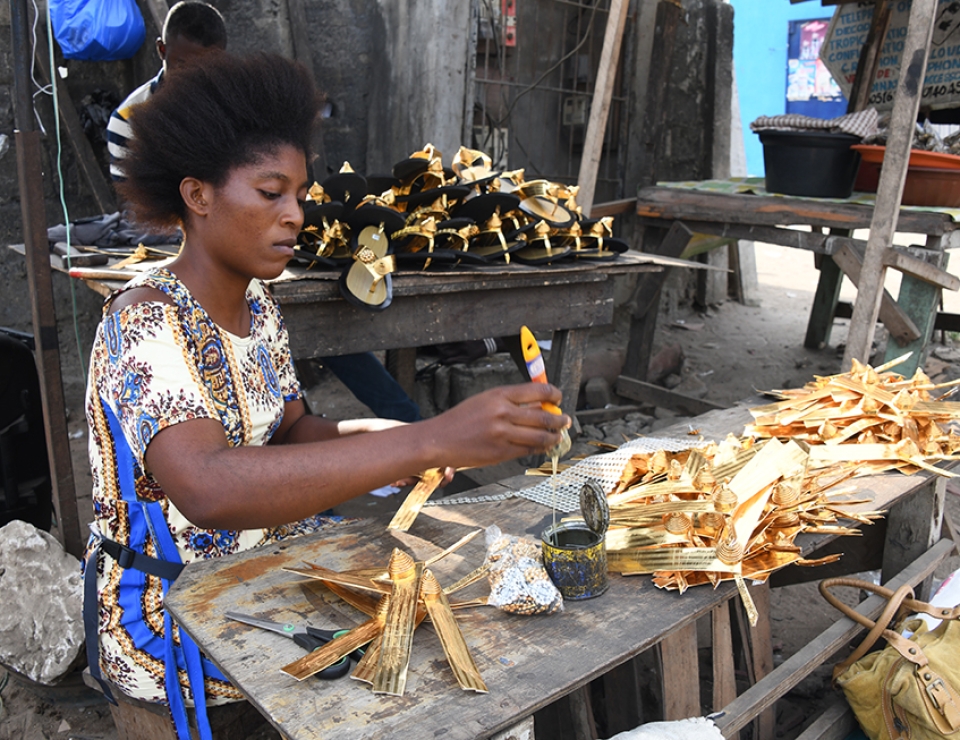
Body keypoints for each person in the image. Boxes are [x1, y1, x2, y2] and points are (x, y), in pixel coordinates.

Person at [84, 51, 569, 738]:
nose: (296, 216)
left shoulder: (259, 307)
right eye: (270, 193)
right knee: (416, 677)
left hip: (265, 565)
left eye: (300, 195)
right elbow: (208, 487)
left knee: (450, 621)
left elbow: (289, 433)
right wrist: (428, 437)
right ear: (198, 196)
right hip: (171, 606)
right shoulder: (144, 321)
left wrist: (373, 442)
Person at [106, 1, 227, 180]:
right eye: (182, 65)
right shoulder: (128, 118)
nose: (193, 75)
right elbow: (129, 198)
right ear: (162, 50)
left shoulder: (237, 107)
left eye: (207, 66)